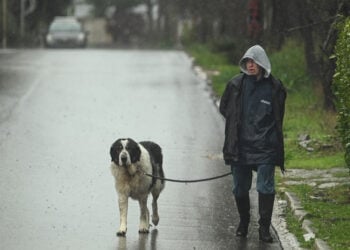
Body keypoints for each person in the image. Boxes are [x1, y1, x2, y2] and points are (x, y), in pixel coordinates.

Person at [219, 45, 287, 243]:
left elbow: (278, 116)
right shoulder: (235, 85)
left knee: (265, 187)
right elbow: (225, 109)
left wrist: (267, 135)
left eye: (254, 62)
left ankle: (264, 228)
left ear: (262, 63)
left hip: (266, 147)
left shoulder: (275, 87)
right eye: (248, 61)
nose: (251, 65)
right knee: (239, 188)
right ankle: (244, 221)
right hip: (239, 147)